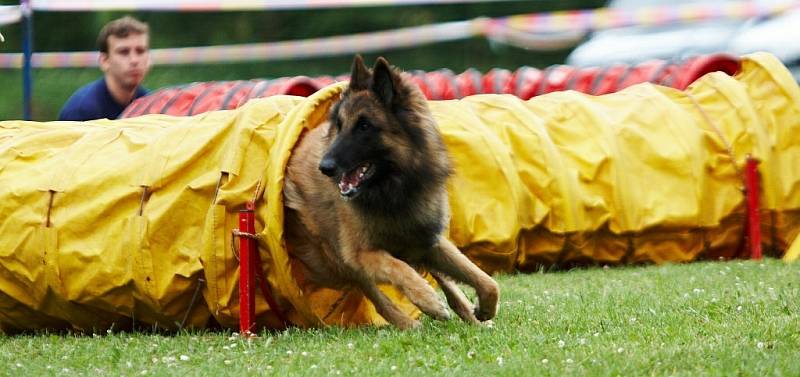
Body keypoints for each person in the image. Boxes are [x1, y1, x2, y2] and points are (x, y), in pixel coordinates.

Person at [58, 16, 151, 121]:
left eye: (140, 51)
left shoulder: (152, 106)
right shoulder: (81, 112)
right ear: (104, 61)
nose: (134, 60)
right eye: (123, 52)